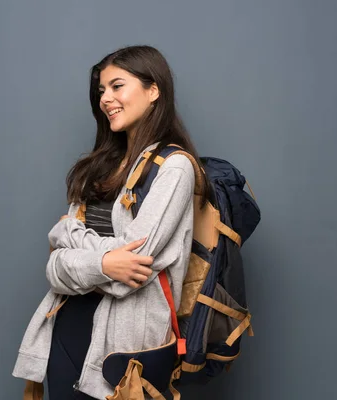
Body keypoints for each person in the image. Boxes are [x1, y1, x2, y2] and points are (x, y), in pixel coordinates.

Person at [13, 45, 210, 399]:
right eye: (102, 91)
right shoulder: (97, 167)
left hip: (124, 347)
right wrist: (104, 262)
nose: (106, 99)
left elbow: (133, 267)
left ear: (154, 90)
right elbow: (54, 264)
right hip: (66, 331)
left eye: (117, 86)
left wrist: (73, 247)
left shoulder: (174, 166)